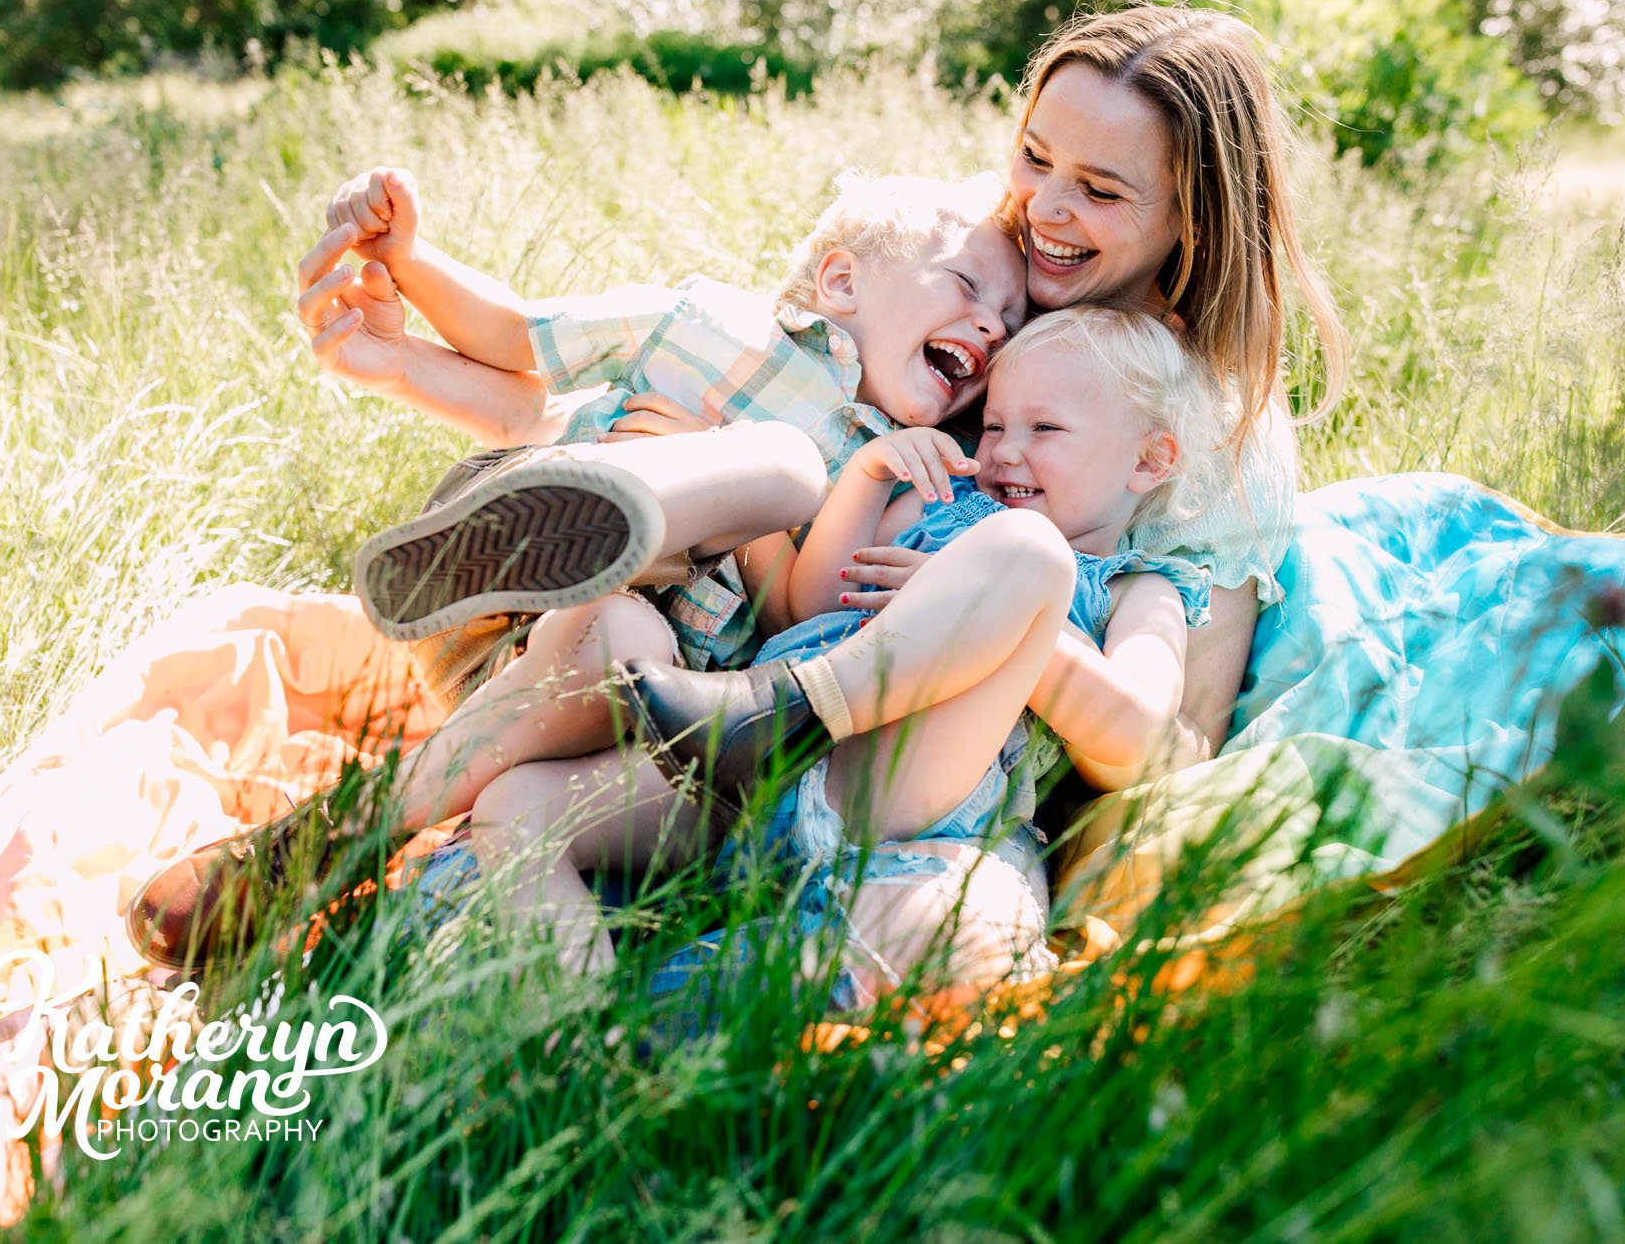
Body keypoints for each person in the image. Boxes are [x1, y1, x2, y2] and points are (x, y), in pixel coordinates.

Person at [126, 168, 1027, 972]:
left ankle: (328, 847)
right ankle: (552, 518)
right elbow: (520, 348)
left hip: (629, 685)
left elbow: (801, 612)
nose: (992, 323)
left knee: (682, 577)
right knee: (782, 462)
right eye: (968, 284)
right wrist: (409, 261)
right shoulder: (708, 322)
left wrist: (768, 487)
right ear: (841, 279)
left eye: (1012, 323)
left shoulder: (894, 461)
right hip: (523, 612)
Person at [465, 307, 1227, 999]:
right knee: (517, 807)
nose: (1003, 453)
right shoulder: (940, 503)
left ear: (1150, 460)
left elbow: (1140, 739)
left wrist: (994, 614)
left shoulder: (1138, 589)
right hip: (754, 785)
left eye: (1046, 431)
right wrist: (868, 476)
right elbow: (812, 605)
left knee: (1030, 556)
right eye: (993, 427)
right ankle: (572, 1033)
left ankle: (778, 722)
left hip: (897, 799)